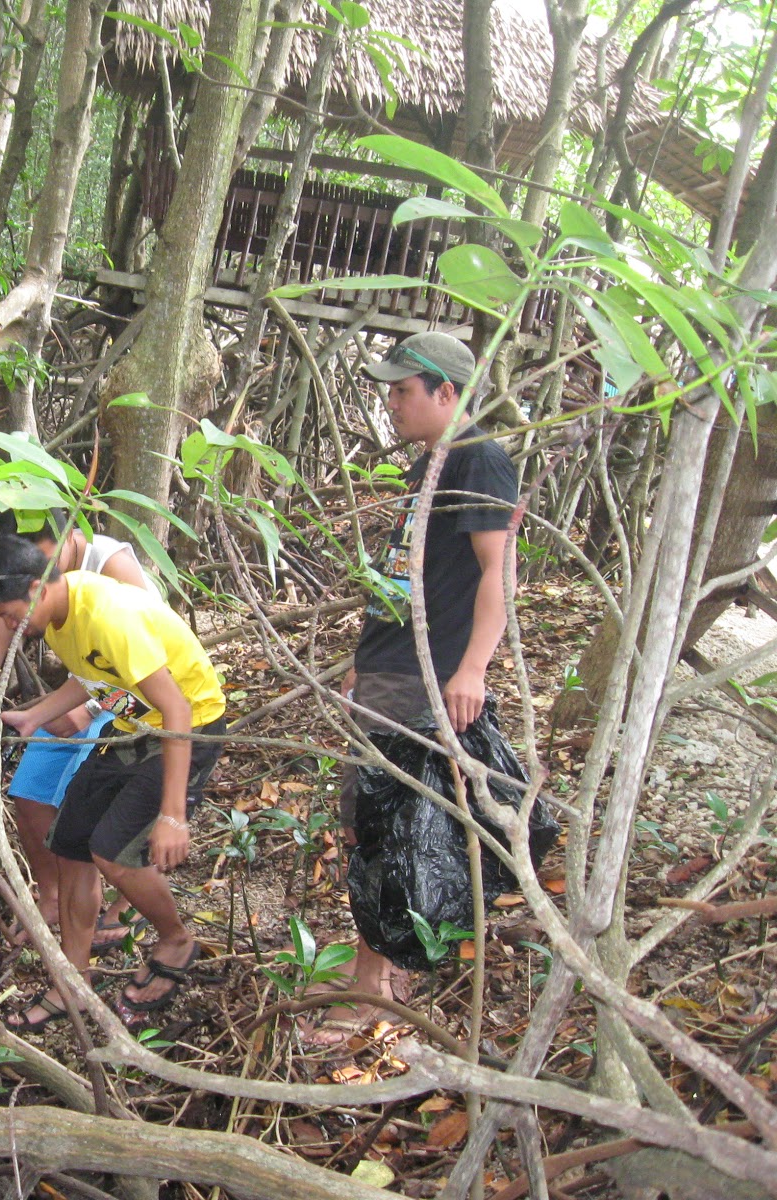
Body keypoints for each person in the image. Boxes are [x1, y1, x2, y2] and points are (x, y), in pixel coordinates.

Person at [311, 330, 519, 1044]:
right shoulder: (427, 468)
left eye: (403, 391)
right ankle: (381, 965)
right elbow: (405, 579)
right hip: (388, 672)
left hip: (427, 678)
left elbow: (497, 573)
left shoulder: (480, 461)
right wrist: (362, 660)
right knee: (367, 821)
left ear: (448, 394)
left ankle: (376, 986)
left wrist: (472, 670)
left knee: (386, 828)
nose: (391, 404)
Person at [0, 535, 227, 1029]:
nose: (9, 627)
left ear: (36, 588)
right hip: (132, 725)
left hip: (187, 727)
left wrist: (173, 816)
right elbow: (94, 676)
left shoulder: (106, 614)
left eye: (9, 616)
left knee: (111, 850)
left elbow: (177, 708)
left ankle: (176, 940)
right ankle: (73, 980)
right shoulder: (57, 615)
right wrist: (34, 716)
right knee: (70, 842)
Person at [0, 510, 151, 948]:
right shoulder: (27, 573)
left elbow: (147, 657)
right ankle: (52, 903)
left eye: (46, 565)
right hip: (84, 690)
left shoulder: (111, 564)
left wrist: (91, 710)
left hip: (138, 699)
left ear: (71, 538)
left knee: (90, 810)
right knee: (30, 792)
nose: (39, 580)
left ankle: (125, 912)